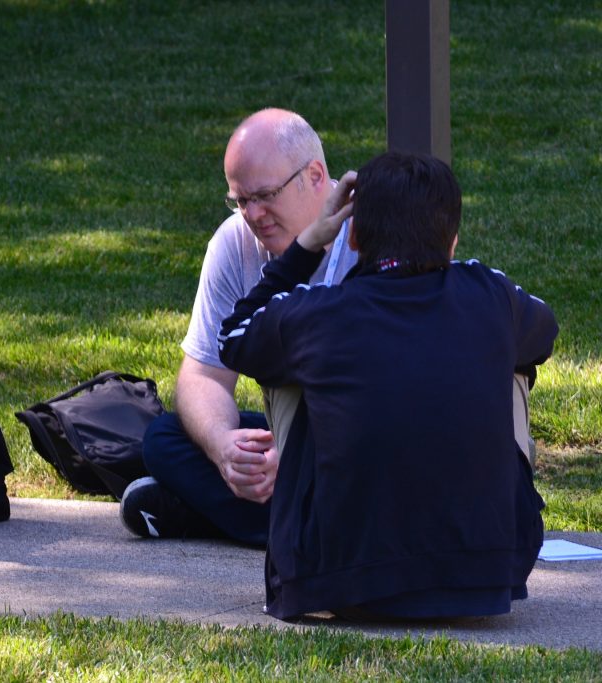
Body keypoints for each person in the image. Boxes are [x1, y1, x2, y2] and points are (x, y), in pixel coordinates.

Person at [218, 151, 557, 619]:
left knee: (277, 360)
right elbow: (547, 332)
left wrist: (309, 244)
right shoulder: (492, 295)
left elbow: (234, 336)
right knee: (515, 360)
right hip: (484, 577)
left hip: (331, 581)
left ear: (353, 235)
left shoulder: (316, 312)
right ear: (452, 241)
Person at [120, 108, 357, 545]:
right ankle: (293, 521)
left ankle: (205, 515)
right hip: (292, 433)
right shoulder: (234, 242)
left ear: (316, 175)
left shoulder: (367, 237)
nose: (253, 213)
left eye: (266, 195)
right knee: (164, 438)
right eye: (241, 200)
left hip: (360, 439)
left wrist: (295, 454)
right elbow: (203, 375)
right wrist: (226, 449)